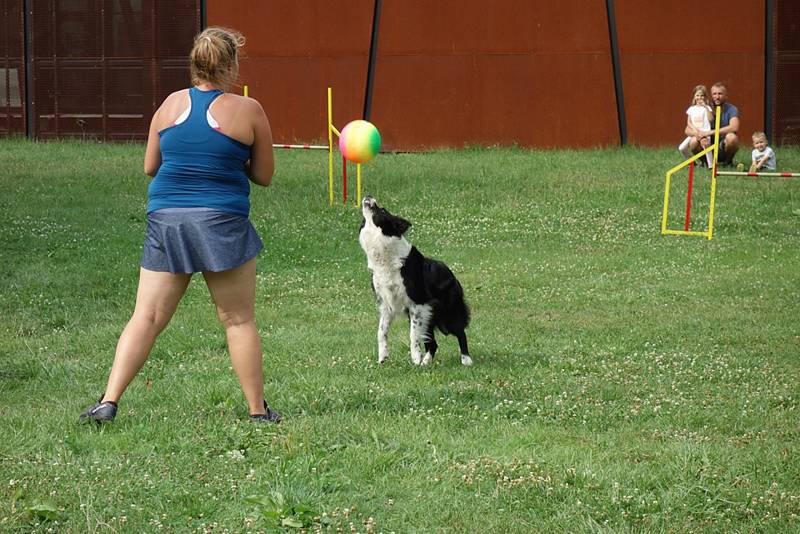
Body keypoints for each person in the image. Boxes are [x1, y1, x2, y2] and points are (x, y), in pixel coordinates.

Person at [79, 27, 280, 424]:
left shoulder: (168, 105)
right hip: (220, 221)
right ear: (230, 66)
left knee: (147, 317)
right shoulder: (248, 109)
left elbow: (150, 166)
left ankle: (109, 401)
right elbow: (264, 175)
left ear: (195, 65)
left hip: (166, 220)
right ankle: (258, 413)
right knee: (237, 319)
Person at [688, 82, 740, 165]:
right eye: (714, 94)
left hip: (723, 145)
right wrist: (700, 136)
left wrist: (710, 132)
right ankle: (705, 163)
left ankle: (727, 162)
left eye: (720, 94)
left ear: (726, 96)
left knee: (732, 137)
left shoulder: (731, 109)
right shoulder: (704, 108)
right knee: (693, 141)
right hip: (706, 144)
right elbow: (687, 130)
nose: (717, 97)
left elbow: (734, 127)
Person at [678, 85, 714, 166]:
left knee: (706, 145)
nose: (699, 97)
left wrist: (706, 107)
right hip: (694, 133)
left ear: (705, 97)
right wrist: (694, 130)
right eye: (697, 95)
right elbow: (689, 122)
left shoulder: (707, 108)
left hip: (705, 132)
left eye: (702, 95)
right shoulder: (691, 109)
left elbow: (711, 120)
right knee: (681, 148)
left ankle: (711, 165)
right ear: (694, 96)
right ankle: (691, 162)